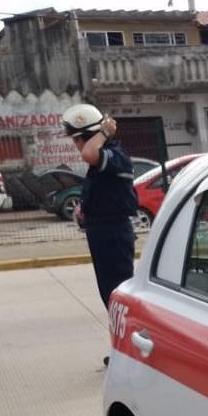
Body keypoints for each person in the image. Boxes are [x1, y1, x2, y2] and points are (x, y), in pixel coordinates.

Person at [63, 104, 136, 342]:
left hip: (113, 234)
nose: (77, 147)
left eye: (77, 140)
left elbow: (89, 154)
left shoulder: (114, 154)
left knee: (118, 295)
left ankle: (130, 348)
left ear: (88, 137)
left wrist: (103, 133)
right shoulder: (101, 161)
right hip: (102, 232)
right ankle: (121, 347)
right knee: (110, 294)